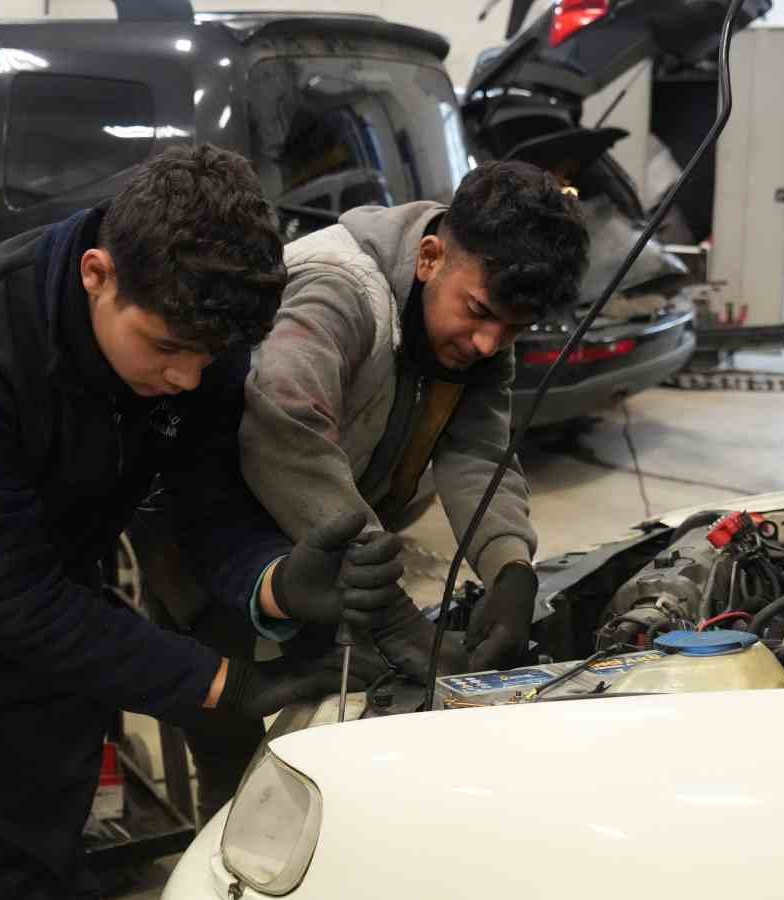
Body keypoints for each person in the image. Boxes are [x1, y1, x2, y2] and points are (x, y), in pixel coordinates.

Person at [0, 143, 401, 899]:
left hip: (49, 610)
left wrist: (277, 584)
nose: (187, 378)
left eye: (209, 357)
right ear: (97, 274)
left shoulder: (200, 321)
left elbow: (205, 506)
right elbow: (16, 600)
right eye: (167, 348)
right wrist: (223, 685)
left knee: (42, 864)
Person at [240, 160, 590, 676]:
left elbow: (476, 453)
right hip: (230, 547)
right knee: (243, 734)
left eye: (515, 328)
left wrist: (510, 569)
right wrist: (393, 615)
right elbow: (284, 427)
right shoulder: (338, 289)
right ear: (430, 257)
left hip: (326, 557)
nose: (490, 342)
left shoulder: (479, 337)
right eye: (478, 311)